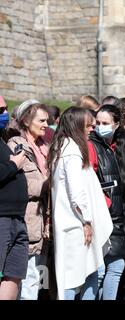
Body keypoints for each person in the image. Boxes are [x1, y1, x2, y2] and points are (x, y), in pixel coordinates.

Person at [47, 107, 113, 300]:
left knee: (90, 272)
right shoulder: (72, 151)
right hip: (75, 224)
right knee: (76, 277)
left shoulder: (62, 146)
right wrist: (86, 220)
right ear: (76, 126)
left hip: (73, 222)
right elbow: (76, 192)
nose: (92, 129)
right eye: (88, 125)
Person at [7, 101, 50, 300]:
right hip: (28, 217)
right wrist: (49, 185)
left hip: (44, 218)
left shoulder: (45, 147)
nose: (46, 125)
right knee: (27, 276)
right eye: (41, 120)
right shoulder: (16, 145)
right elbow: (20, 183)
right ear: (26, 120)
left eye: (47, 121)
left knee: (39, 276)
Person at [88, 104, 125, 300]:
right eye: (97, 123)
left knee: (116, 266)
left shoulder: (122, 145)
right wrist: (104, 202)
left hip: (119, 216)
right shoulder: (92, 145)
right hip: (102, 214)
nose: (99, 126)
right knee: (99, 271)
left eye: (105, 123)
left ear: (116, 125)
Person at [0, 136, 28, 300]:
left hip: (17, 218)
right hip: (2, 217)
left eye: (4, 109)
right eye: (1, 109)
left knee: (14, 274)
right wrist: (13, 164)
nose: (4, 114)